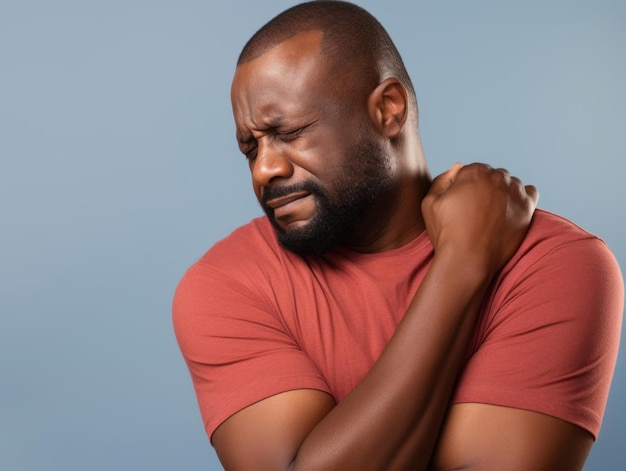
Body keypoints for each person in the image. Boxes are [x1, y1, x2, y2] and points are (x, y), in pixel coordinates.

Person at [173, 1, 623, 469]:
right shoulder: (225, 285)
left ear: (389, 110)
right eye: (251, 148)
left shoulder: (554, 263)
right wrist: (463, 263)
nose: (265, 169)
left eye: (288, 131)